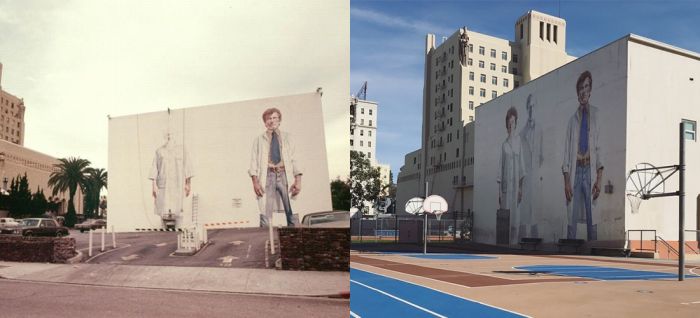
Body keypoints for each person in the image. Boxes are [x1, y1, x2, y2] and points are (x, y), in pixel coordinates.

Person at [562, 71, 603, 241]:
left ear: (591, 90)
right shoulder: (572, 121)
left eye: (586, 87)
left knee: (591, 217)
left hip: (590, 171)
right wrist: (566, 182)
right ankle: (569, 249)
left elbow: (600, 148)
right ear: (577, 92)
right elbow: (566, 155)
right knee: (571, 217)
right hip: (576, 172)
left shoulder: (596, 115)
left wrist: (599, 179)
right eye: (580, 88)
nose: (583, 91)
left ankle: (593, 249)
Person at [249, 108, 302, 227]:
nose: (272, 121)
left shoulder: (288, 138)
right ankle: (265, 241)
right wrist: (255, 182)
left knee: (291, 211)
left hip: (285, 175)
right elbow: (253, 163)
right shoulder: (258, 140)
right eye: (269, 118)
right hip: (268, 176)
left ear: (279, 120)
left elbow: (295, 160)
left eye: (274, 118)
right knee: (265, 213)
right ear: (265, 122)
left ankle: (295, 242)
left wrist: (298, 181)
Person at [149, 132, 193, 226]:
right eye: (167, 135)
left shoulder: (181, 150)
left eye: (171, 134)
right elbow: (154, 169)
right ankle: (164, 234)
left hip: (178, 184)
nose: (169, 136)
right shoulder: (159, 151)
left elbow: (188, 167)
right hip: (164, 185)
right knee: (163, 209)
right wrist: (153, 186)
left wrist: (188, 184)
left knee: (179, 210)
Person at [498, 106, 526, 244]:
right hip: (505, 188)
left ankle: (514, 244)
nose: (511, 126)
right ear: (506, 125)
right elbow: (500, 168)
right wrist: (499, 192)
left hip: (515, 187)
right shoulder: (504, 145)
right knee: (505, 216)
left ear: (516, 123)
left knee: (516, 217)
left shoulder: (519, 141)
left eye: (513, 122)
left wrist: (520, 188)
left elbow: (521, 166)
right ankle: (505, 244)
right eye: (509, 123)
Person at [519, 94, 543, 238]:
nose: (532, 109)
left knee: (536, 216)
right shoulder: (522, 134)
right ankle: (521, 239)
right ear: (527, 108)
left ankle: (535, 238)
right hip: (526, 178)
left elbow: (542, 155)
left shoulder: (540, 130)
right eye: (530, 106)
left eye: (534, 106)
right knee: (524, 214)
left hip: (536, 179)